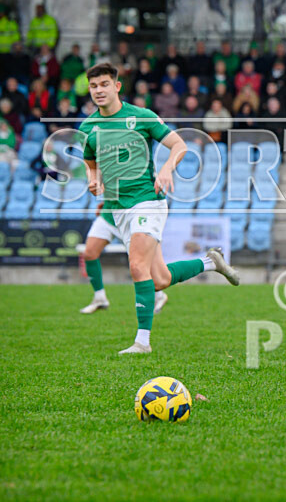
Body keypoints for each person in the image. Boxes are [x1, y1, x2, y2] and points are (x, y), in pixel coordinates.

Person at [79, 62, 240, 354]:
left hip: (147, 200)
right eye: (93, 86)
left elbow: (179, 146)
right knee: (160, 279)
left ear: (117, 87)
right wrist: (94, 178)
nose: (98, 90)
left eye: (104, 84)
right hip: (118, 209)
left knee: (137, 267)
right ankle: (211, 262)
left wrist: (166, 168)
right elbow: (90, 161)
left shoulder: (141, 117)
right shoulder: (88, 127)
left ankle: (142, 342)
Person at [79, 203, 169, 315]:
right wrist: (105, 201)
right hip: (109, 216)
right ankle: (99, 297)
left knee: (142, 262)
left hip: (130, 220)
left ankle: (159, 295)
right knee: (89, 253)